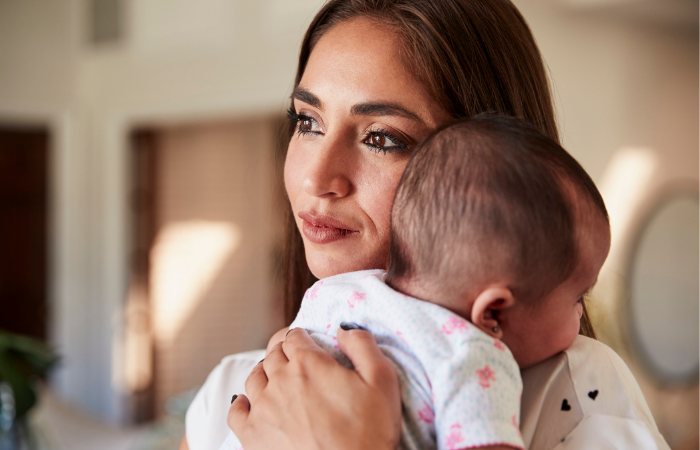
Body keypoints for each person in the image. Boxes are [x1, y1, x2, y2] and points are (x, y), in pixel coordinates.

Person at [181, 1, 667, 449]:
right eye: (307, 122)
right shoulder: (225, 394)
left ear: (492, 170)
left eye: (381, 138)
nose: (315, 177)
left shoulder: (579, 393)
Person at [219, 114, 610, 450]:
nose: (315, 179)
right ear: (493, 311)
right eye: (578, 296)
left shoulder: (335, 293)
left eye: (380, 138)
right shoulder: (474, 358)